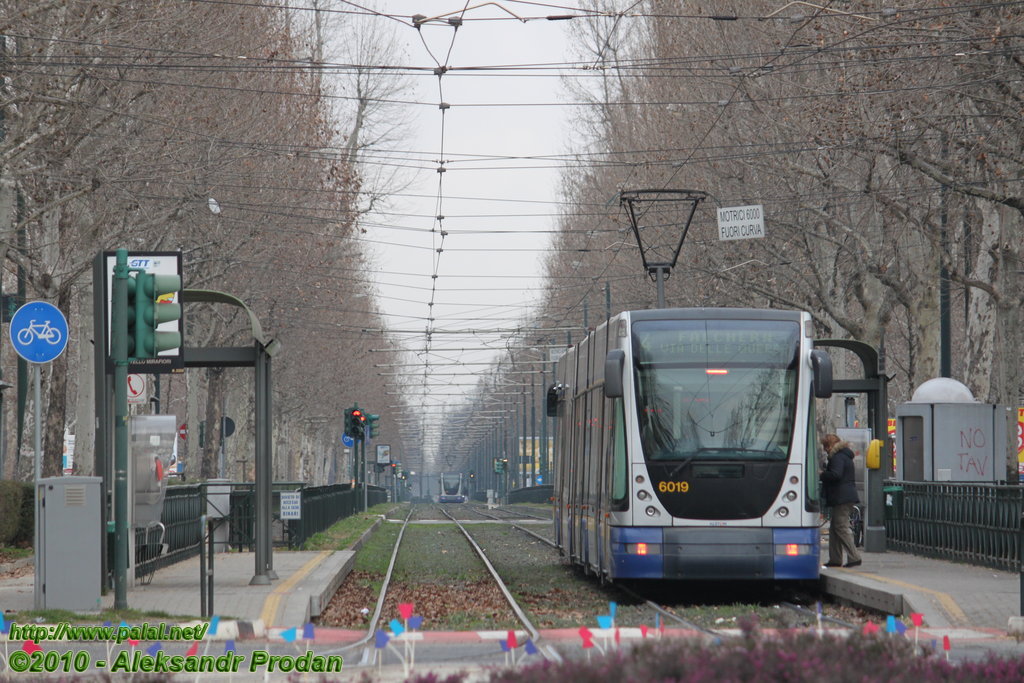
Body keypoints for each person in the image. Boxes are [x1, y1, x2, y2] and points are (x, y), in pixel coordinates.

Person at [819, 433, 861, 568]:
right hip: (844, 496)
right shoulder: (844, 456)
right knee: (834, 529)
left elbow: (836, 474)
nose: (825, 449)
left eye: (826, 446)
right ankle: (835, 559)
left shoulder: (837, 457)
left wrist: (822, 474)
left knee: (841, 527)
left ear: (830, 445)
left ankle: (854, 557)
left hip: (842, 497)